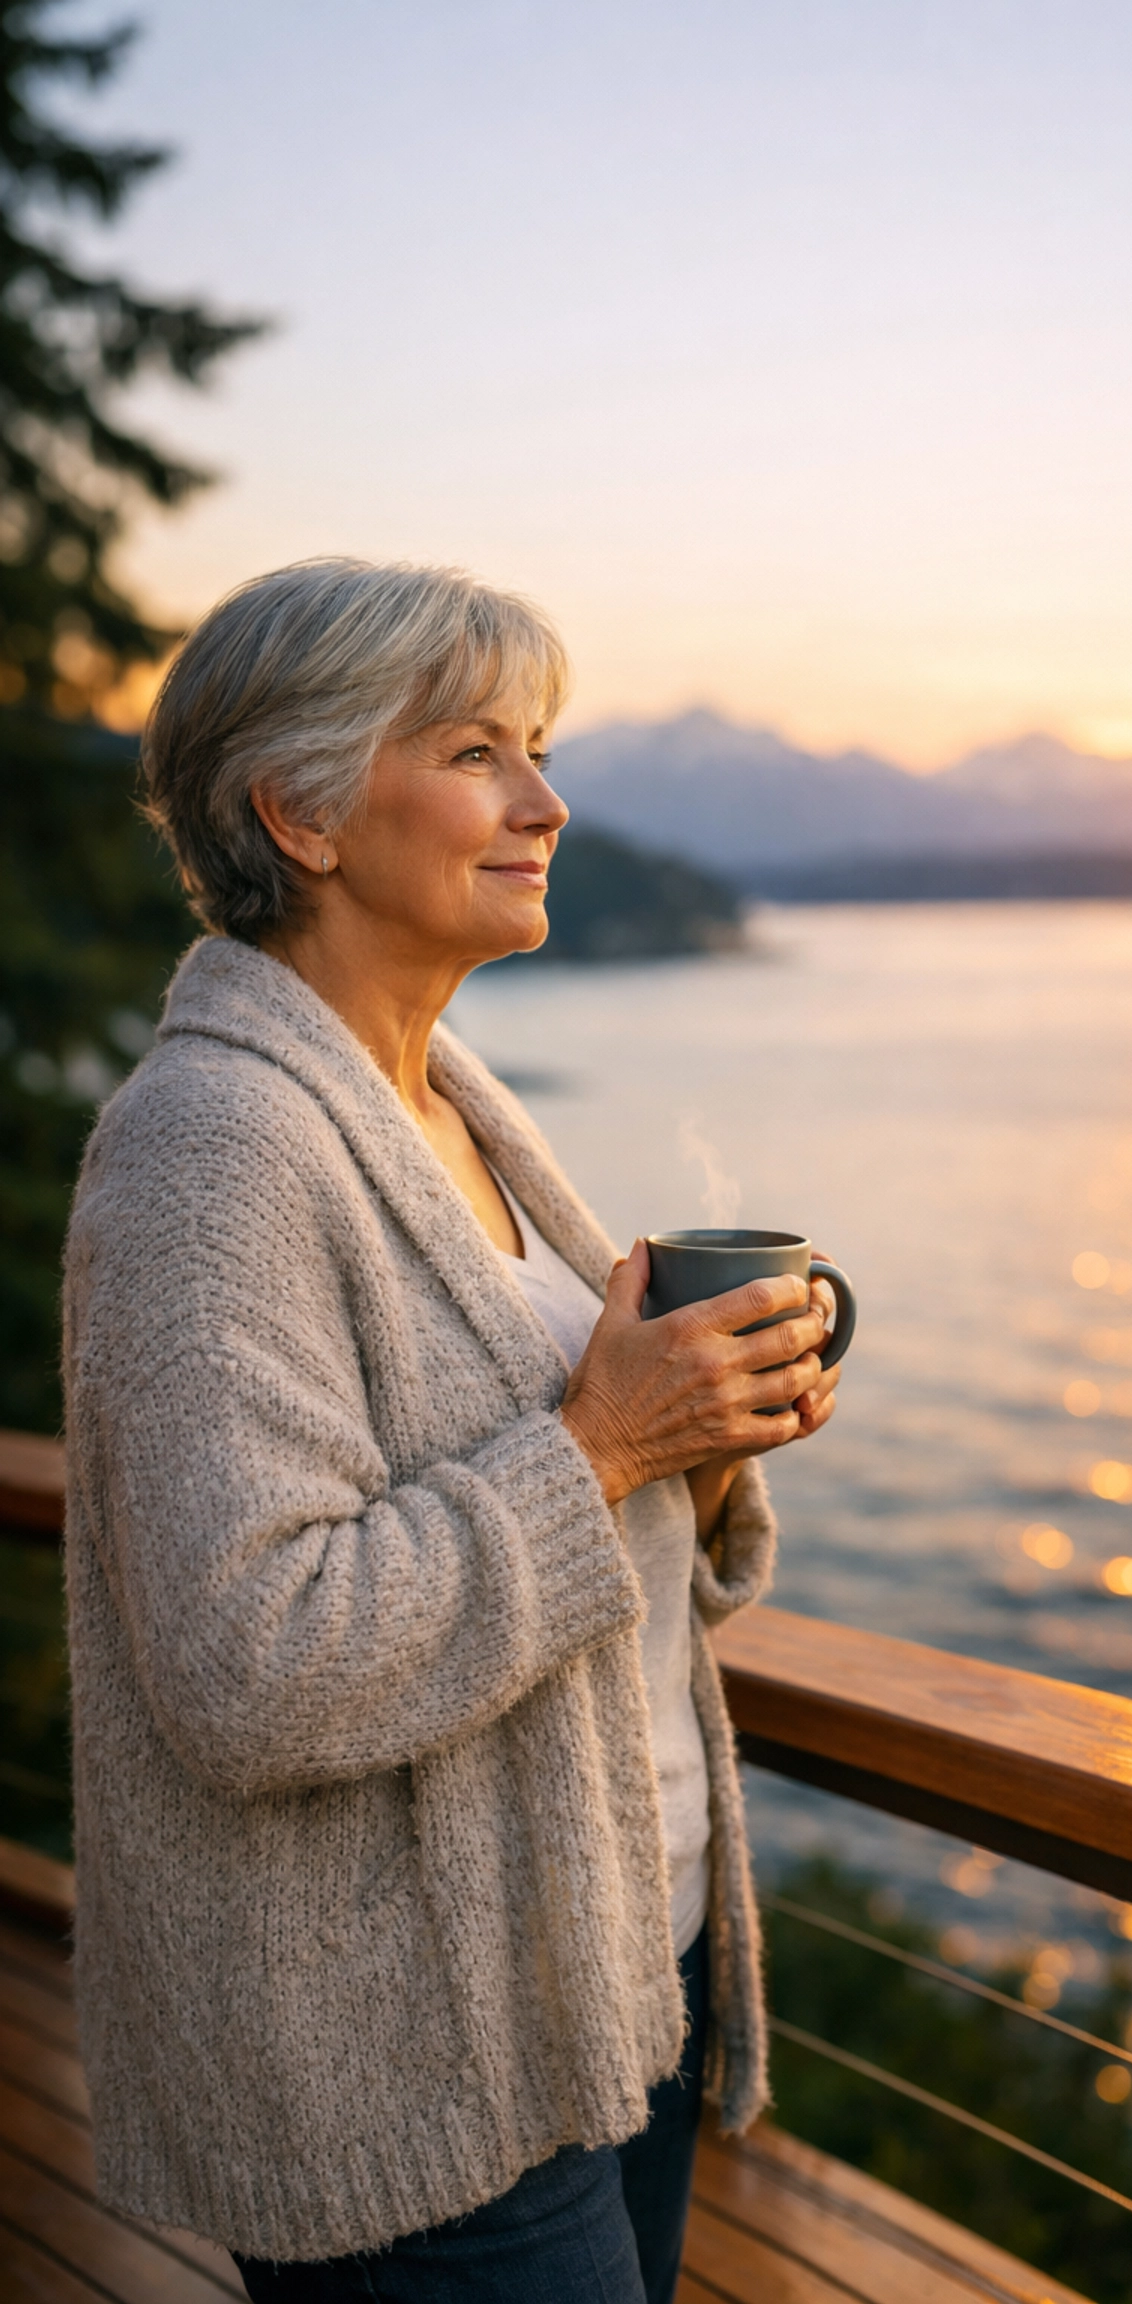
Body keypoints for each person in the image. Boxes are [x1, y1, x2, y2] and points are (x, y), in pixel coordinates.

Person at [62, 560, 841, 2303]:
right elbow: (248, 1664)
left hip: (613, 1974)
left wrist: (699, 1439)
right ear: (301, 811)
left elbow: (580, 1498)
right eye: (480, 751)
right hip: (418, 2054)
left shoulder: (442, 1103)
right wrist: (607, 1449)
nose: (548, 802)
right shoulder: (218, 1148)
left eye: (540, 750)